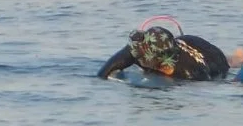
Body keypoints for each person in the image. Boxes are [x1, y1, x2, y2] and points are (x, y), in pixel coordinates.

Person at [97, 18, 230, 81]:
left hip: (214, 58)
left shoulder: (189, 72)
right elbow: (103, 73)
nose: (137, 54)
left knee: (231, 64)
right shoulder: (136, 50)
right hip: (187, 40)